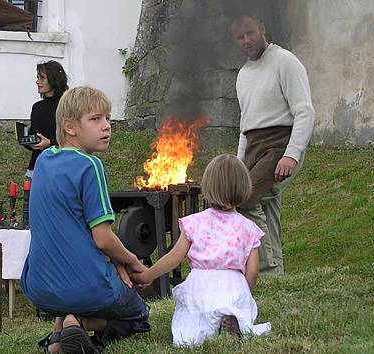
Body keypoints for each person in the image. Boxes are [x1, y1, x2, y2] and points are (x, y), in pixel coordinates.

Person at [20, 86, 150, 354]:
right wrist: (132, 260)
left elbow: (74, 231)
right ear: (69, 126)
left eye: (108, 119)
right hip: (86, 287)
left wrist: (117, 260)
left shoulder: (44, 160)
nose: (106, 127)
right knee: (140, 316)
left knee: (74, 280)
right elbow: (102, 239)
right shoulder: (90, 166)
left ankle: (61, 332)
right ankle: (77, 323)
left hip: (39, 287)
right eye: (96, 119)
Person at [131, 154, 271, 347]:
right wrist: (244, 291)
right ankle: (230, 319)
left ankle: (206, 327)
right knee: (235, 309)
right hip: (233, 287)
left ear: (208, 187)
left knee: (190, 327)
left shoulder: (195, 223)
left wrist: (147, 275)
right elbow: (253, 271)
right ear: (244, 188)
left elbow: (173, 259)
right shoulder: (248, 228)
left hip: (200, 287)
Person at [231, 14, 315, 275]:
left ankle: (267, 269)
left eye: (250, 33)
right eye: (240, 37)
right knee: (266, 203)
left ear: (262, 28)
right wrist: (238, 163)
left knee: (243, 198)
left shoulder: (284, 61)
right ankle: (275, 272)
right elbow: (245, 127)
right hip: (254, 149)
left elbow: (305, 112)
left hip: (281, 145)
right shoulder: (243, 75)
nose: (246, 40)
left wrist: (291, 155)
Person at [24, 60, 68, 179]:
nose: (37, 81)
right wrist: (27, 141)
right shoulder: (37, 107)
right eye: (37, 77)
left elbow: (75, 140)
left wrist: (49, 143)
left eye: (42, 78)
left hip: (60, 168)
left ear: (54, 79)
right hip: (36, 167)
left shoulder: (68, 106)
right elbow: (35, 136)